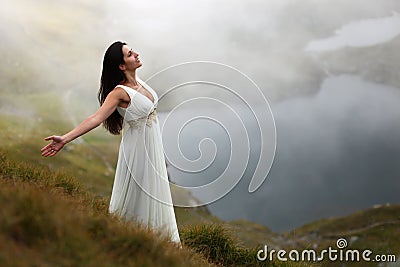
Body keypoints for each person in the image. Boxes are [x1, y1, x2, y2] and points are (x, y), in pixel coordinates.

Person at [41, 41, 181, 245]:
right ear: (122, 66)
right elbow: (96, 118)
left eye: (133, 51)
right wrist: (65, 138)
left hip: (152, 149)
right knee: (138, 195)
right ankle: (128, 241)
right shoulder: (119, 92)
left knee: (155, 194)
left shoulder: (139, 82)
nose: (136, 54)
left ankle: (157, 242)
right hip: (138, 152)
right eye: (130, 54)